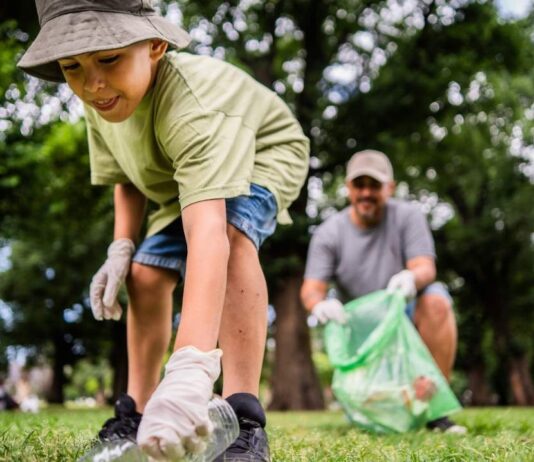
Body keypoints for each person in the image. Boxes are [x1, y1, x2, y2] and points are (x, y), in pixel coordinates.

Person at [18, 1, 309, 460]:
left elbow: (208, 235)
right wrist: (121, 248)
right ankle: (135, 411)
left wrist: (190, 369)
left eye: (109, 58)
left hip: (263, 152)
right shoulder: (101, 100)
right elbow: (126, 179)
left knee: (232, 241)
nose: (92, 83)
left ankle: (243, 418)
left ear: (155, 45)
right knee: (145, 274)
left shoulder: (192, 106)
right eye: (72, 66)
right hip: (177, 178)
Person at [300, 149, 466, 434]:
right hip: (357, 324)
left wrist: (411, 278)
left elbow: (425, 267)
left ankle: (435, 412)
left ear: (390, 187)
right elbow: (311, 289)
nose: (366, 193)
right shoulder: (329, 232)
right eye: (359, 184)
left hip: (402, 312)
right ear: (348, 188)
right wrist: (319, 306)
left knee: (437, 299)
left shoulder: (408, 216)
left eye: (374, 185)